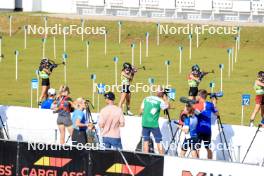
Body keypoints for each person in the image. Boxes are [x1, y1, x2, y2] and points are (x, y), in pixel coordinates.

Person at [139, 86, 169, 154]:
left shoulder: (146, 98)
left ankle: (145, 158)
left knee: (146, 142)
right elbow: (167, 106)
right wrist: (165, 98)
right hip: (153, 124)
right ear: (161, 93)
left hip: (145, 123)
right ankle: (162, 157)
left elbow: (141, 111)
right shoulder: (160, 101)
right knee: (159, 142)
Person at [193, 89, 219, 159]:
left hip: (199, 129)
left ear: (200, 96)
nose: (196, 97)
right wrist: (214, 104)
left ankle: (197, 164)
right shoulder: (210, 105)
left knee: (196, 148)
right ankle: (210, 163)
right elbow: (217, 113)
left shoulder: (196, 105)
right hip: (207, 130)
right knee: (208, 148)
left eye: (197, 95)